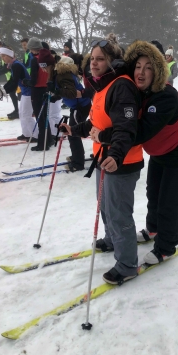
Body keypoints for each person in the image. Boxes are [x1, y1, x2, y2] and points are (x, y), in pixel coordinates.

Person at [91, 40, 178, 264]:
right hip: (160, 154)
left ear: (158, 71)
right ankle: (153, 230)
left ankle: (166, 245)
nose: (141, 72)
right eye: (138, 66)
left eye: (149, 67)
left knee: (168, 203)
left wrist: (103, 135)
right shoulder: (138, 92)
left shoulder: (165, 96)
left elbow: (139, 132)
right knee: (153, 194)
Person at [61, 33, 144, 285]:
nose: (93, 64)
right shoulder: (102, 85)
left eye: (100, 59)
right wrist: (74, 130)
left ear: (112, 61)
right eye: (92, 59)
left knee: (119, 213)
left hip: (121, 161)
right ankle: (111, 240)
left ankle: (128, 263)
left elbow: (126, 126)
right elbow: (96, 123)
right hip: (103, 157)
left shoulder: (121, 85)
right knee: (106, 206)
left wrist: (116, 155)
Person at [47, 55, 91, 170]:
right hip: (78, 106)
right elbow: (66, 90)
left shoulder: (63, 75)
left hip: (80, 106)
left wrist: (56, 90)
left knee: (73, 134)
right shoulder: (66, 74)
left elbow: (71, 93)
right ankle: (77, 157)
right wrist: (55, 96)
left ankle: (78, 163)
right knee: (72, 132)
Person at [0, 46, 38, 141]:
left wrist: (4, 91)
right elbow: (12, 80)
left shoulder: (16, 65)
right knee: (22, 114)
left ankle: (36, 135)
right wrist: (3, 89)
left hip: (29, 92)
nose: (2, 58)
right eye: (1, 56)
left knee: (26, 114)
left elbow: (14, 81)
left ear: (10, 55)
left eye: (4, 56)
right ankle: (27, 133)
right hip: (25, 92)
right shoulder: (13, 65)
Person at [23, 37, 53, 151]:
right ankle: (49, 139)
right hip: (46, 88)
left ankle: (42, 143)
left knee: (40, 117)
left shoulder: (34, 59)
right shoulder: (47, 58)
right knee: (45, 115)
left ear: (32, 49)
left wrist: (26, 81)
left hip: (37, 90)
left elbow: (34, 80)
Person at [0, 33, 19, 119]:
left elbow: (6, 67)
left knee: (12, 93)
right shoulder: (2, 50)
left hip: (12, 74)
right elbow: (2, 66)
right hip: (10, 75)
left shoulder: (4, 50)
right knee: (12, 94)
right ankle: (16, 110)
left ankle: (17, 111)